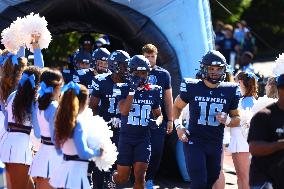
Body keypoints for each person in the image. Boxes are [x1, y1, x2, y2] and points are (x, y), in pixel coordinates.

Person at [173, 50, 241, 189]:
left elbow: (237, 119)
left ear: (224, 69)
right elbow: (176, 107)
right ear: (204, 68)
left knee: (211, 180)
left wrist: (227, 120)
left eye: (218, 68)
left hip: (215, 142)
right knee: (199, 182)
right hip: (195, 141)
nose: (215, 72)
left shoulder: (231, 90)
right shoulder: (192, 86)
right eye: (211, 68)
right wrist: (178, 126)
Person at [112, 55, 162, 189]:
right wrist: (132, 91)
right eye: (137, 73)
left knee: (140, 177)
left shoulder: (154, 90)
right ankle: (112, 178)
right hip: (126, 138)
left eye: (143, 73)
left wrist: (157, 122)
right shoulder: (122, 87)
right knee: (123, 178)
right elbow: (124, 111)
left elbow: (159, 114)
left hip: (143, 139)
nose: (140, 76)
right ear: (130, 72)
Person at [89, 50, 130, 189]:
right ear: (115, 66)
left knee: (120, 164)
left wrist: (123, 119)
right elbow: (92, 106)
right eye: (124, 65)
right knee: (100, 163)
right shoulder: (101, 81)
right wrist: (101, 124)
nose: (127, 69)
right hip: (105, 129)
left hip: (124, 130)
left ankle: (113, 183)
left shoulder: (130, 83)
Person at [49, 82, 103, 189]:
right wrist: (98, 152)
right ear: (82, 103)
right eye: (87, 100)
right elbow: (83, 153)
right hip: (76, 173)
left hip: (63, 170)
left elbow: (57, 148)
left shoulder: (60, 119)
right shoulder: (77, 123)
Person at [0, 66, 41, 189]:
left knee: (14, 185)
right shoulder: (35, 101)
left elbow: (6, 125)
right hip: (21, 149)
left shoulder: (12, 95)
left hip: (6, 145)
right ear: (37, 84)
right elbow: (38, 133)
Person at [141, 44, 173, 189]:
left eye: (152, 56)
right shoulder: (135, 71)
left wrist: (171, 119)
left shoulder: (163, 74)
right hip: (139, 117)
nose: (149, 59)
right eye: (146, 56)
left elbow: (168, 98)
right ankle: (137, 178)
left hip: (158, 117)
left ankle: (150, 178)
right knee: (138, 150)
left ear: (156, 56)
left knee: (157, 150)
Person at [28, 69, 64, 189]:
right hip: (53, 156)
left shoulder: (38, 103)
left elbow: (38, 133)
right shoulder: (53, 106)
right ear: (56, 86)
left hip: (43, 152)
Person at [248, 74, 284, 189]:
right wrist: (281, 144)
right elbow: (254, 148)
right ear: (279, 90)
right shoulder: (264, 115)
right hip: (264, 180)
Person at [228, 71, 258, 189]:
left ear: (240, 82)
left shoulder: (249, 101)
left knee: (245, 177)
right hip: (237, 141)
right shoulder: (242, 100)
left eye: (236, 81)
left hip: (243, 143)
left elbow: (245, 122)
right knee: (240, 177)